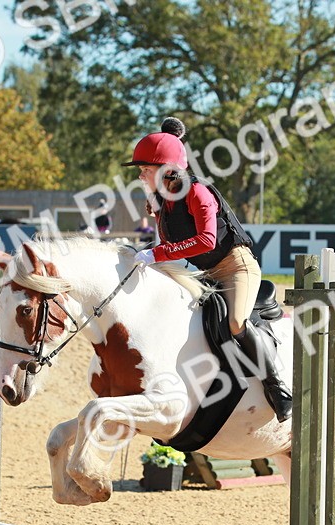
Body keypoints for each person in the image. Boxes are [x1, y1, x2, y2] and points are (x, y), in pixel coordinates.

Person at [123, 117, 291, 422]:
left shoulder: (197, 192)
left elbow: (206, 240)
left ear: (167, 170)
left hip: (236, 267)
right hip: (206, 273)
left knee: (237, 322)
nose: (140, 175)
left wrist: (157, 253)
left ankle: (277, 387)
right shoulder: (166, 196)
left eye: (146, 170)